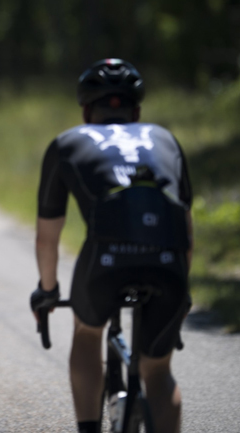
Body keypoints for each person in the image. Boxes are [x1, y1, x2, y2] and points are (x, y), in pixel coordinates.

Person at [30, 59, 192, 433]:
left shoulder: (67, 142)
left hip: (105, 260)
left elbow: (47, 236)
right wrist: (183, 291)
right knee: (158, 369)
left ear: (86, 110)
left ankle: (89, 428)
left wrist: (48, 291)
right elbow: (184, 224)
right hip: (168, 261)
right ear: (137, 110)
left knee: (87, 332)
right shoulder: (165, 138)